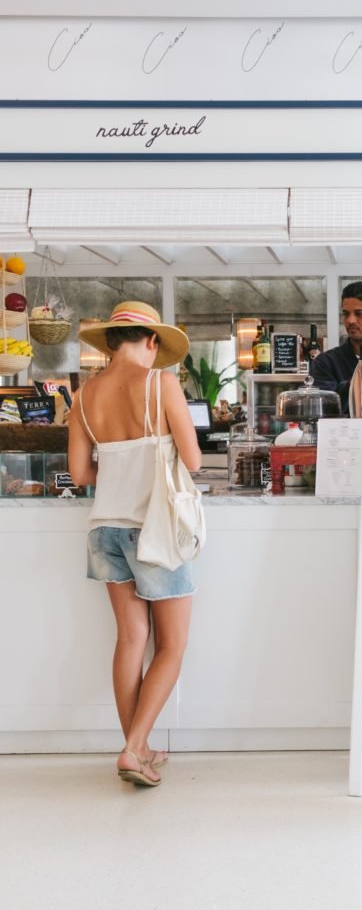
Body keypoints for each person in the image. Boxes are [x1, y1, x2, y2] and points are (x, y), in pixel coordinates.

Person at [68, 302, 202, 788]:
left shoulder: (83, 398)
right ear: (151, 343)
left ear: (109, 342)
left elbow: (82, 474)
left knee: (131, 639)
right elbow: (193, 458)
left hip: (104, 529)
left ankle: (139, 748)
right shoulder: (161, 384)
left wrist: (120, 467)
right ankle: (132, 749)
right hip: (155, 531)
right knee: (172, 644)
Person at [309, 280, 362, 414]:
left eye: (359, 313)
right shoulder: (325, 363)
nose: (350, 320)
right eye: (346, 314)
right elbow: (325, 410)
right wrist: (357, 382)